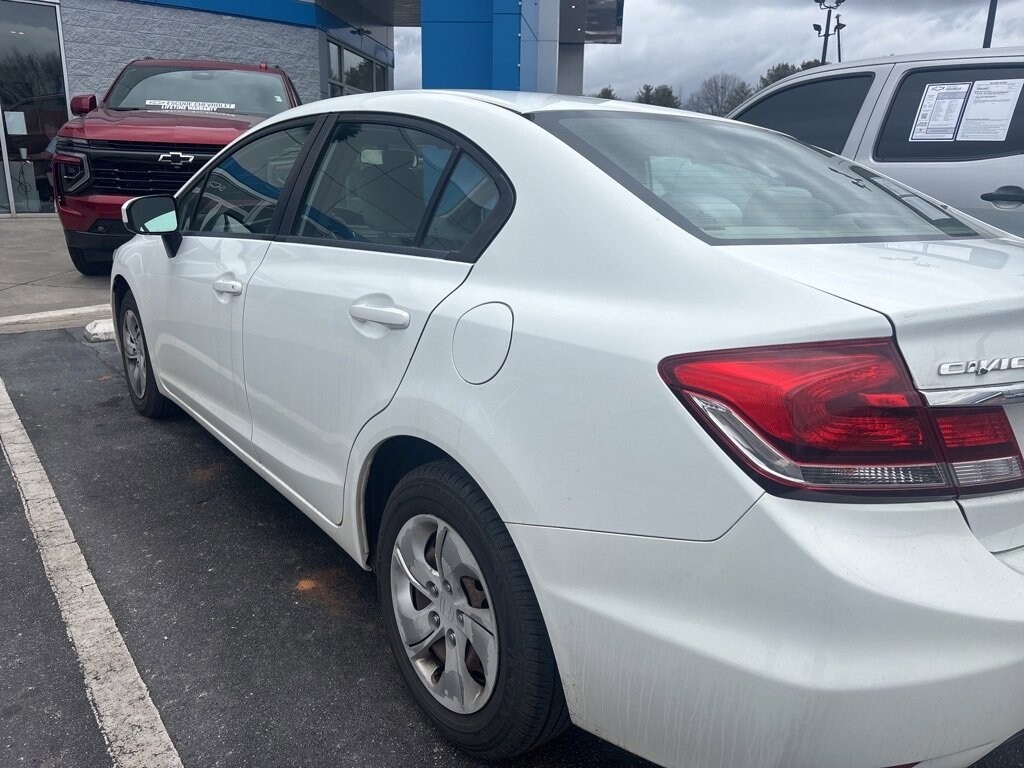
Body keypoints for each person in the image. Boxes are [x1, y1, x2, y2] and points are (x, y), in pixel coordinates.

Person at [28, 122, 59, 204]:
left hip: (55, 170)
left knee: (32, 173)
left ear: (56, 129)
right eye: (45, 129)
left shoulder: (56, 139)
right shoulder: (55, 139)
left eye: (48, 129)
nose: (46, 132)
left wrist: (29, 156)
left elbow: (46, 155)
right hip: (54, 169)